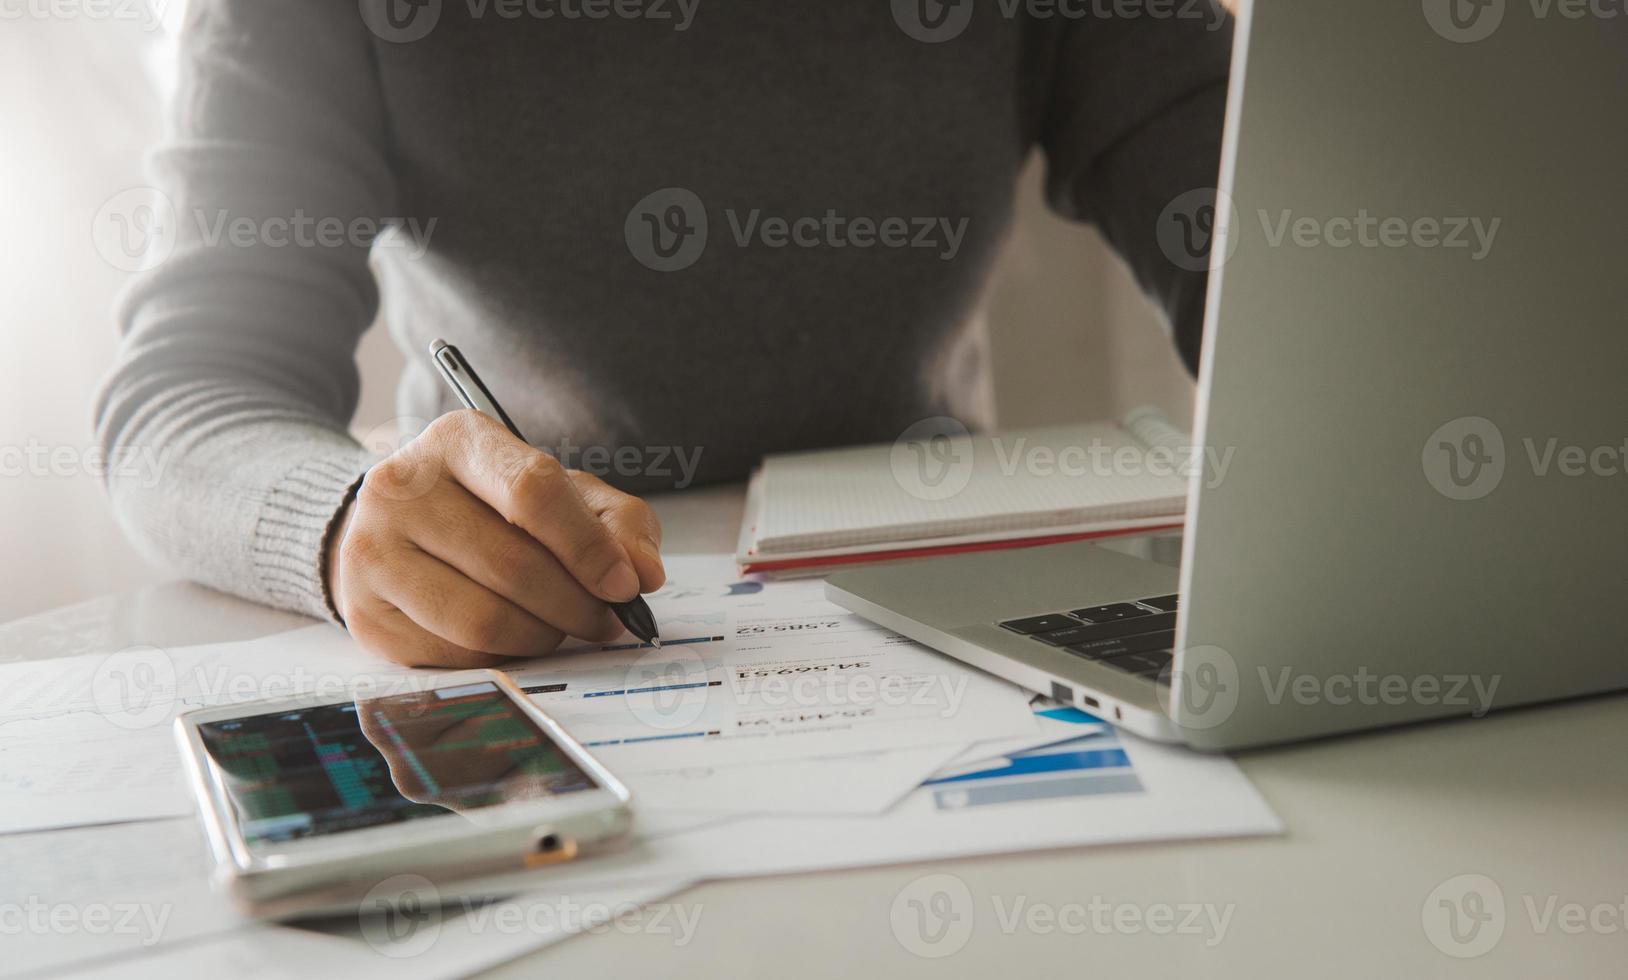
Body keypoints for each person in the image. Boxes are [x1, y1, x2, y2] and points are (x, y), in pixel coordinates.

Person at [94, 0, 1234, 668]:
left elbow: (1259, 247)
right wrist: (345, 523)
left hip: (951, 595)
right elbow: (187, 394)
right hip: (537, 632)